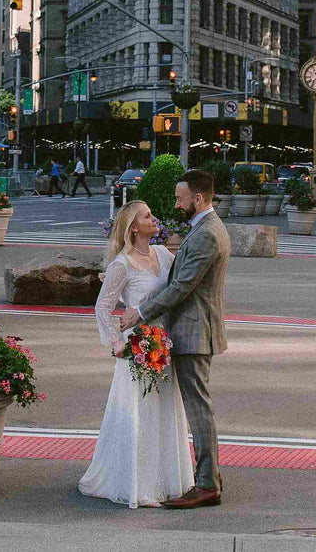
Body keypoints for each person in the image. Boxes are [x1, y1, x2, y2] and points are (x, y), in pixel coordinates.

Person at [118, 168, 230, 509]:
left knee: (199, 409)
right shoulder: (203, 229)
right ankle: (208, 478)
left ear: (198, 198)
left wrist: (140, 312)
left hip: (195, 332)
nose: (176, 204)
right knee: (198, 406)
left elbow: (182, 287)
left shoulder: (207, 234)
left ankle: (208, 484)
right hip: (193, 329)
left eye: (181, 198)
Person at [79, 200, 194, 508]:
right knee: (140, 415)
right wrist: (115, 342)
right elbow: (103, 307)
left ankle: (166, 481)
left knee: (164, 412)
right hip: (139, 347)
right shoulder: (122, 264)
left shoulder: (161, 254)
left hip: (164, 344)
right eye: (147, 216)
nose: (153, 218)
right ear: (133, 227)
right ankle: (139, 485)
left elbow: (176, 289)